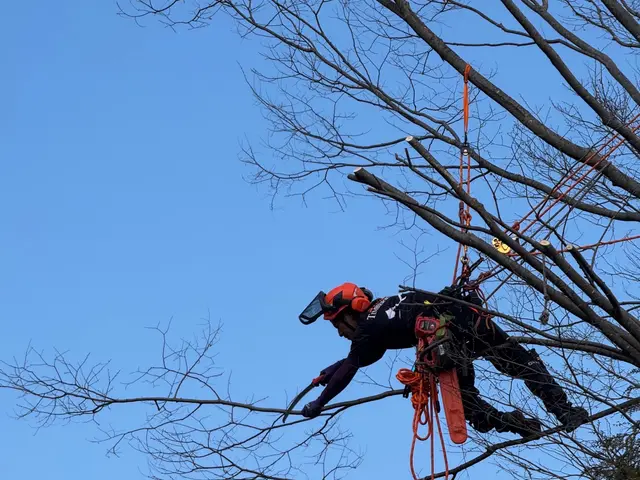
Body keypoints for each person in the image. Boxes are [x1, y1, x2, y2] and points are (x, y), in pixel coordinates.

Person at [298, 282, 589, 437]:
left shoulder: (366, 330)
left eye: (338, 324)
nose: (339, 333)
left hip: (447, 339)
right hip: (467, 316)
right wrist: (327, 372)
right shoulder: (386, 305)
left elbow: (350, 368)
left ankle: (519, 425)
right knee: (523, 364)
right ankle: (565, 411)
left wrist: (318, 403)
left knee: (467, 407)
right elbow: (349, 361)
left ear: (352, 312)